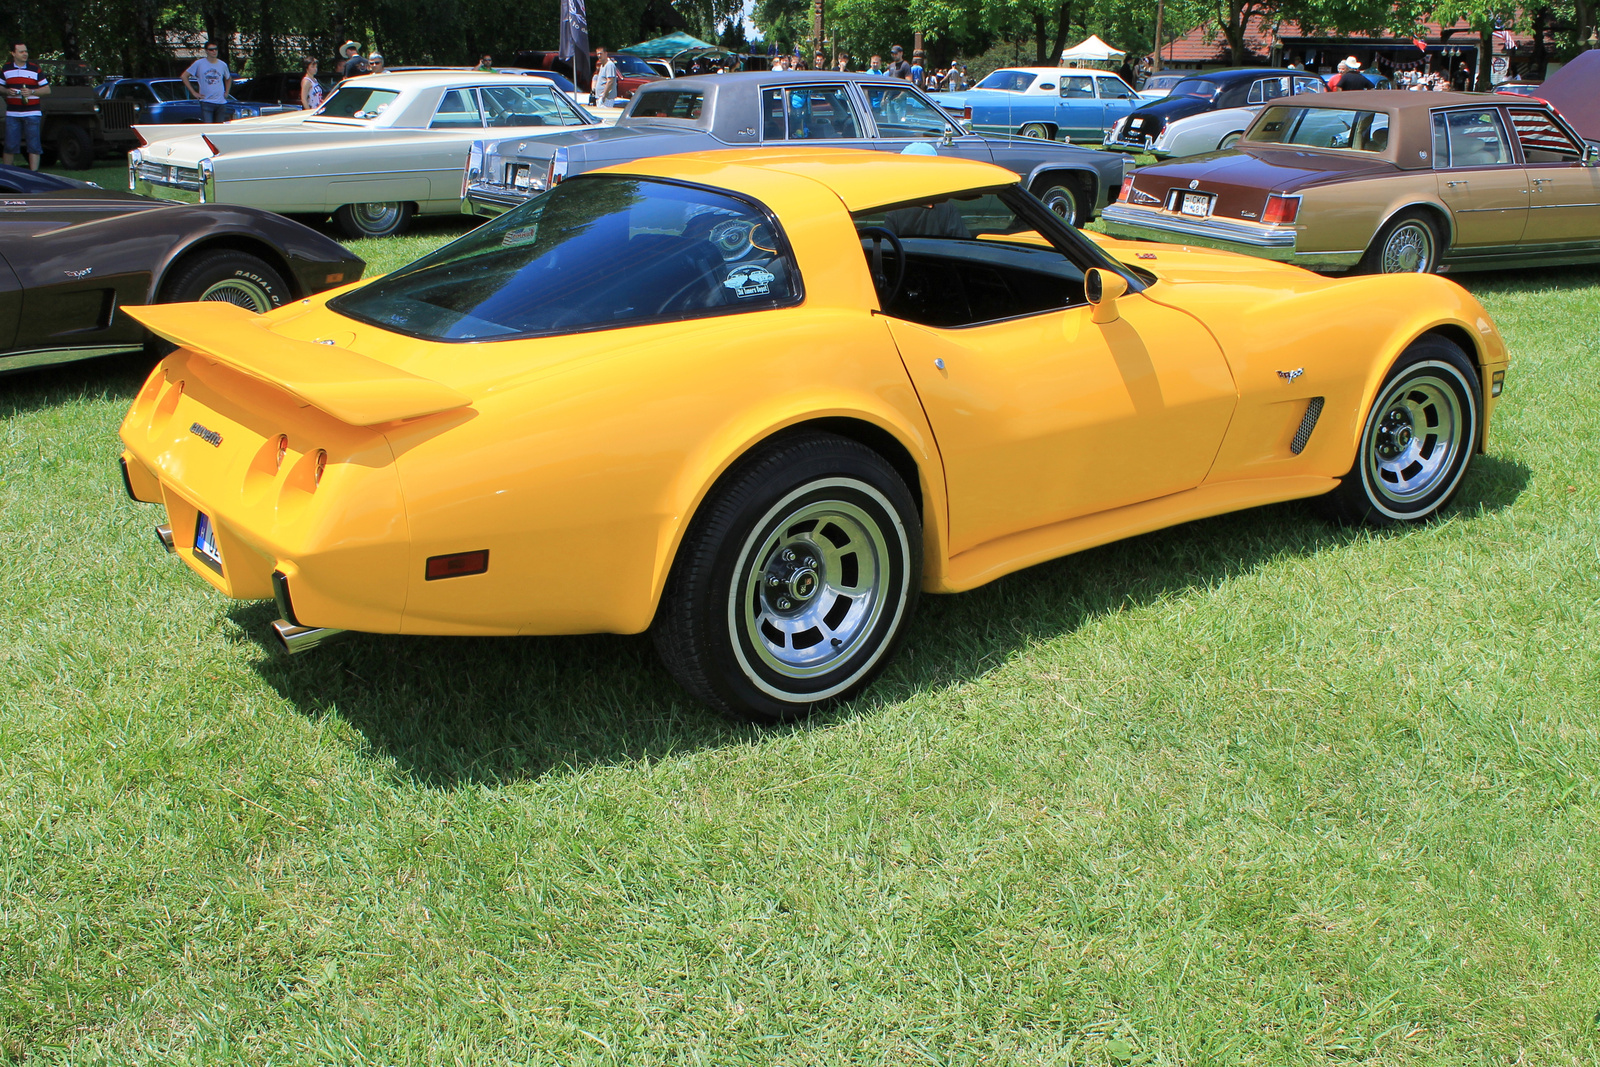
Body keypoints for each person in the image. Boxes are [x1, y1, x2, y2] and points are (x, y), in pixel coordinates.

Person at [3, 40, 50, 171]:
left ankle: (34, 174)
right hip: (12, 113)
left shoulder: (35, 69)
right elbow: (0, 87)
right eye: (21, 52)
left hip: (32, 112)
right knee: (10, 145)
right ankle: (8, 175)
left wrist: (32, 91)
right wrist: (7, 91)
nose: (25, 54)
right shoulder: (6, 69)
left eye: (26, 51)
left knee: (34, 145)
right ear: (13, 53)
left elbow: (47, 90)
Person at [182, 41, 232, 123]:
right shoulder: (199, 63)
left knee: (219, 128)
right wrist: (194, 93)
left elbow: (228, 78)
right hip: (206, 101)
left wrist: (227, 92)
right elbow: (184, 76)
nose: (214, 51)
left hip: (221, 102)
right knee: (208, 127)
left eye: (216, 49)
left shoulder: (222, 64)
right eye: (211, 50)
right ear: (206, 51)